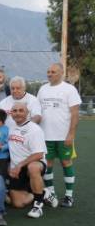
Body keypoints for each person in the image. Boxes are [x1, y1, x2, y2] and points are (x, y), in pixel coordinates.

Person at [37, 63, 81, 208]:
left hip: (63, 136)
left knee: (66, 163)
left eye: (53, 72)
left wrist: (71, 134)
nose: (50, 74)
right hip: (45, 136)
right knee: (47, 164)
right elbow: (37, 110)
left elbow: (75, 114)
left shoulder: (69, 89)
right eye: (48, 71)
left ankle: (69, 196)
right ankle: (51, 194)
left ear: (61, 73)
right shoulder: (42, 89)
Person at [7, 102, 50, 218]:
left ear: (27, 113)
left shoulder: (34, 129)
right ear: (11, 114)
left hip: (33, 164)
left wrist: (20, 165)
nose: (17, 113)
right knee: (18, 203)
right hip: (17, 168)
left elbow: (39, 154)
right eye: (15, 111)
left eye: (21, 110)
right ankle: (43, 192)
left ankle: (38, 205)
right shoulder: (11, 128)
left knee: (33, 167)